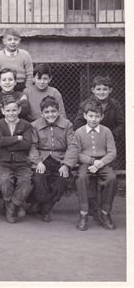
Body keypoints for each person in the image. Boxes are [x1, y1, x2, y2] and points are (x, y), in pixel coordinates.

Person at [28, 96, 78, 222]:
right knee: (38, 178)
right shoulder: (34, 125)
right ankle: (42, 202)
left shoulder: (67, 125)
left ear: (58, 111)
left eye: (53, 111)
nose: (50, 115)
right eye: (47, 112)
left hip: (60, 159)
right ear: (42, 113)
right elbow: (32, 146)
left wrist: (66, 165)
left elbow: (73, 146)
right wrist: (38, 162)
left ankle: (47, 207)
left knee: (62, 179)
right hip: (42, 158)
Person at [74, 101, 117, 231]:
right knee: (81, 178)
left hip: (103, 163)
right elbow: (77, 153)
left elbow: (112, 152)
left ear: (102, 117)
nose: (94, 119)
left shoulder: (106, 131)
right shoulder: (79, 132)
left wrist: (101, 163)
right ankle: (84, 213)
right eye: (91, 116)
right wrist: (92, 162)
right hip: (86, 163)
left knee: (111, 178)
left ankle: (105, 212)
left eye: (97, 116)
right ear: (85, 116)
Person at [0, 98, 33, 223]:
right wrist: (17, 138)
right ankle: (10, 203)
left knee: (26, 181)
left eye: (14, 110)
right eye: (8, 110)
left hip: (22, 163)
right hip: (3, 162)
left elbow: (27, 144)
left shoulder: (26, 125)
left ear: (19, 110)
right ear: (2, 111)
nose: (11, 113)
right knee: (4, 180)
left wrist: (7, 142)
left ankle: (13, 206)